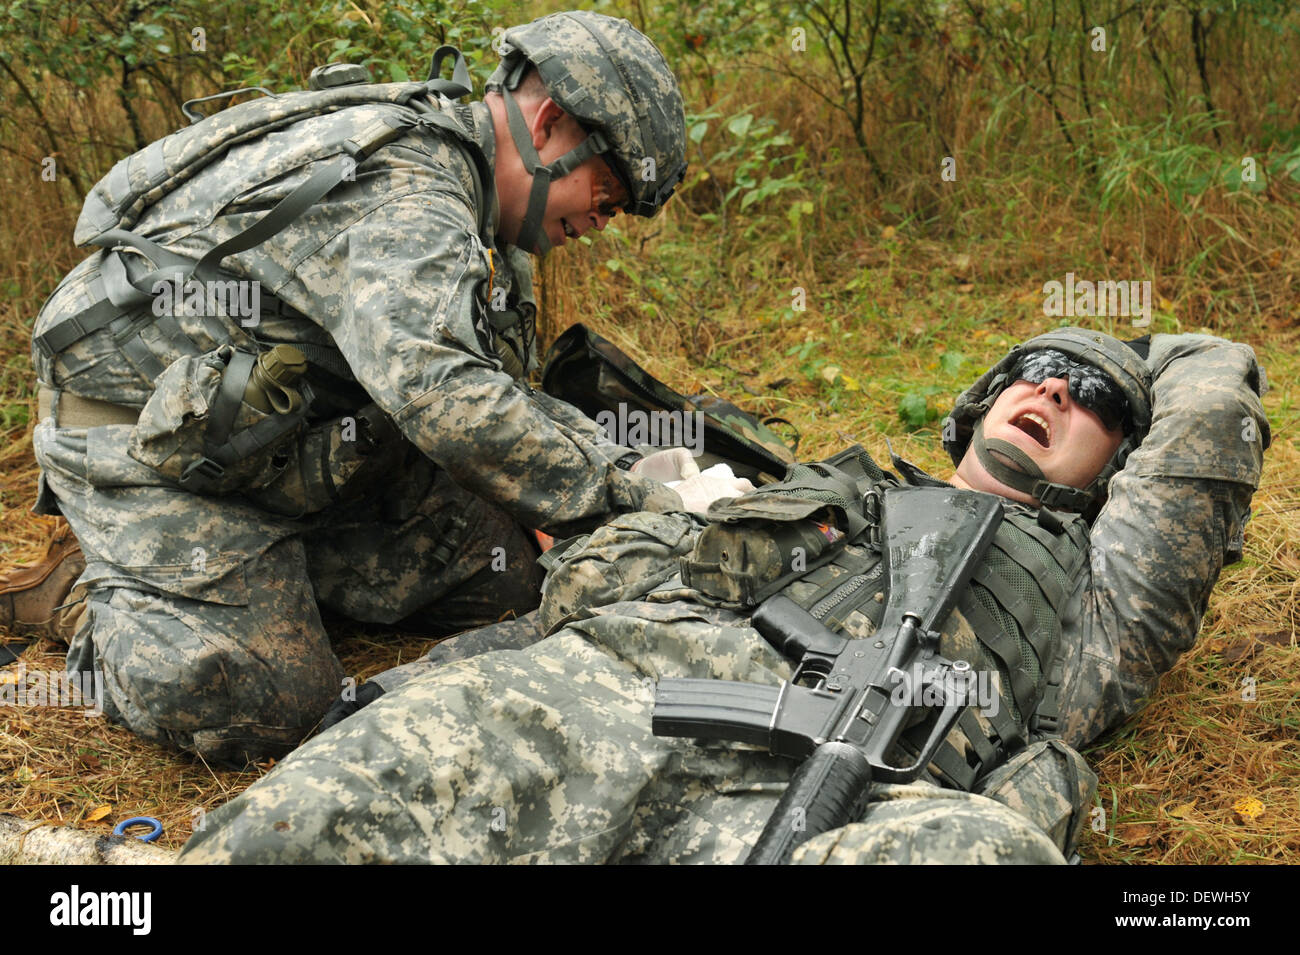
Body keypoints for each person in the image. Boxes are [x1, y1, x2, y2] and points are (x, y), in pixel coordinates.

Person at [177, 327, 1270, 864]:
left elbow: (1216, 394)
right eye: (1035, 370)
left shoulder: (1099, 595)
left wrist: (1136, 349)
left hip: (853, 800)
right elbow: (588, 605)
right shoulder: (816, 492)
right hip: (625, 702)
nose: (1051, 390)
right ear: (977, 403)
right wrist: (423, 682)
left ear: (1118, 472)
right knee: (312, 818)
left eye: (1089, 401)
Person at [1, 11, 751, 766]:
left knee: (509, 576)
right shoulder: (407, 191)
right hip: (154, 443)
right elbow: (445, 399)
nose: (603, 218)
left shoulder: (479, 206)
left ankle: (263, 577)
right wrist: (636, 498)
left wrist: (620, 464)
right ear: (551, 122)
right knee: (258, 697)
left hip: (289, 443)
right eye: (609, 190)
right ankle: (98, 596)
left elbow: (491, 388)